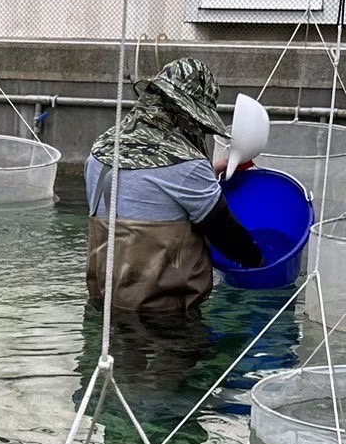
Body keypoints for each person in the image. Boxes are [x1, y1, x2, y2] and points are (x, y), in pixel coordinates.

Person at [85, 58, 271, 312]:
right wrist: (261, 263)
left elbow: (143, 191)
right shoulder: (187, 166)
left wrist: (206, 173)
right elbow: (226, 236)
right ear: (188, 114)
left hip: (103, 303)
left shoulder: (100, 151)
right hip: (164, 316)